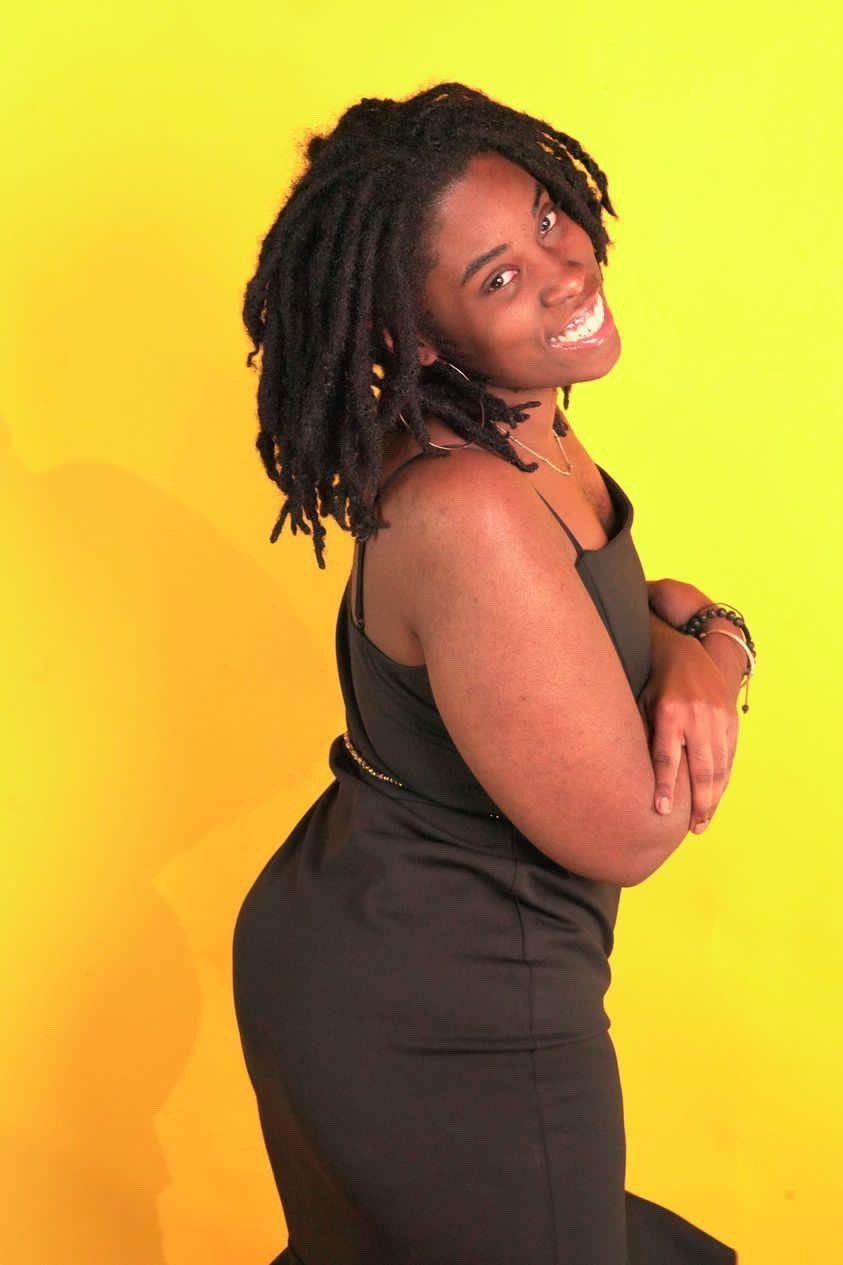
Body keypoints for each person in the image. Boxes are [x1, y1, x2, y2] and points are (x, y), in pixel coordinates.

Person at [232, 82, 752, 1265]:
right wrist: (722, 652)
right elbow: (630, 827)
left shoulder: (529, 422)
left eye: (547, 219)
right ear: (418, 339)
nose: (563, 271)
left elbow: (611, 624)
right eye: (500, 276)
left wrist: (690, 639)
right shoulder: (466, 503)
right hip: (444, 1003)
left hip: (417, 938)